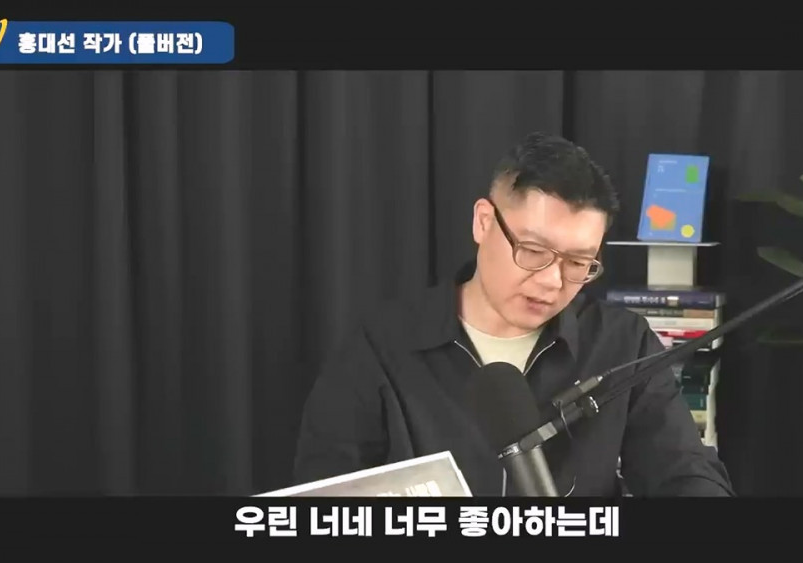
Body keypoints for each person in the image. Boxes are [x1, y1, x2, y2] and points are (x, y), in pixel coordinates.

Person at [293, 131, 734, 497]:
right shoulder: (380, 346)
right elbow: (324, 493)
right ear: (484, 222)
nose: (552, 281)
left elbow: (685, 471)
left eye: (579, 262)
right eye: (534, 251)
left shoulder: (622, 343)